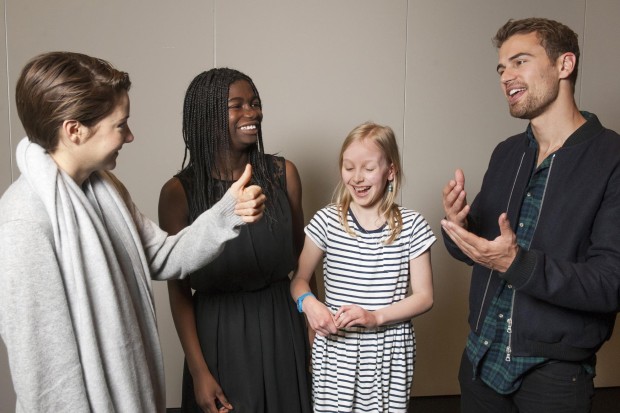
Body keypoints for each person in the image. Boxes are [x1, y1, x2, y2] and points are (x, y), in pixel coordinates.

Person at [0, 52, 266, 413]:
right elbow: (44, 371)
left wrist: (226, 213)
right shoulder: (25, 219)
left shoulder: (106, 190)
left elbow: (163, 256)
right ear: (74, 130)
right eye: (119, 125)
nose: (130, 135)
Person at [441, 17, 620, 413]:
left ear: (565, 65)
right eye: (502, 68)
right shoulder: (506, 152)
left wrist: (518, 264)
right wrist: (460, 226)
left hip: (554, 376)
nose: (506, 76)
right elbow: (486, 251)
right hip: (480, 360)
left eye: (520, 61)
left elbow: (611, 283)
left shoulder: (612, 159)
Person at [159, 67, 312, 413]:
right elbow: (179, 290)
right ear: (208, 115)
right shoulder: (178, 193)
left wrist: (310, 333)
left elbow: (304, 261)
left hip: (281, 327)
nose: (252, 113)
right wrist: (199, 371)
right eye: (237, 105)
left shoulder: (282, 174)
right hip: (218, 337)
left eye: (255, 103)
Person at [291, 122, 435, 413]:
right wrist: (309, 304)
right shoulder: (326, 221)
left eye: (368, 168)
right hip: (336, 350)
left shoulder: (412, 226)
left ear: (390, 171)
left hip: (389, 352)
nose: (357, 178)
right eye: (348, 167)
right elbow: (299, 281)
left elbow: (425, 297)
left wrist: (375, 317)